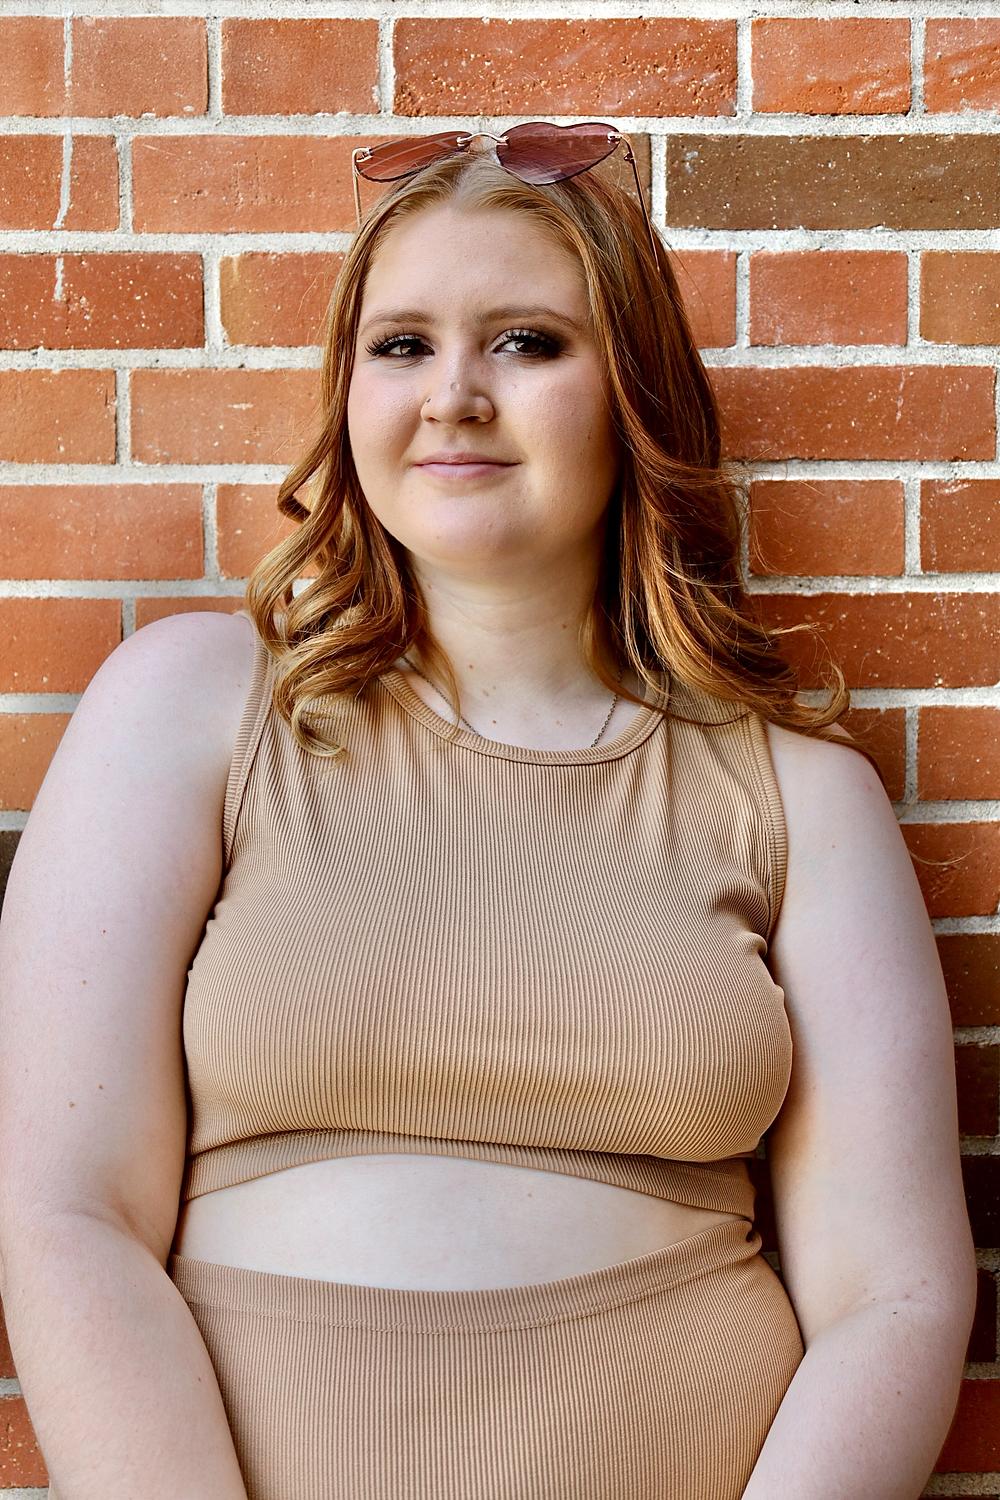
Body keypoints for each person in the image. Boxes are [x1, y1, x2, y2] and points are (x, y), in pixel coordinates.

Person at [0, 123, 976, 1500]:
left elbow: (897, 1296)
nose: (453, 395)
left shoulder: (799, 794)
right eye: (401, 345)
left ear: (632, 390)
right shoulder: (192, 707)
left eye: (525, 342)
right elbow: (66, 1213)